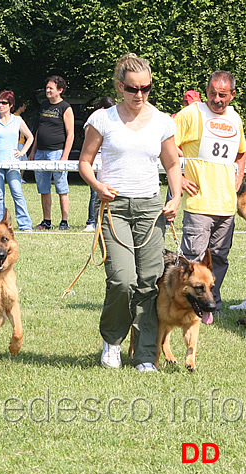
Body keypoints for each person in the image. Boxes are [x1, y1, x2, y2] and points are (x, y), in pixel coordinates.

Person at [78, 53, 182, 372]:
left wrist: (175, 196)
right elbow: (84, 162)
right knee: (123, 280)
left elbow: (172, 163)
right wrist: (97, 185)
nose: (139, 95)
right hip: (115, 208)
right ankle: (112, 342)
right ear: (120, 86)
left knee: (150, 282)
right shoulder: (102, 120)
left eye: (146, 88)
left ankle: (145, 354)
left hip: (150, 207)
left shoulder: (163, 121)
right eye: (132, 89)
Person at [174, 71, 246, 314]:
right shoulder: (190, 114)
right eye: (212, 93)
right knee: (191, 261)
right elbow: (164, 145)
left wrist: (238, 178)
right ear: (206, 92)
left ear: (232, 95)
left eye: (222, 95)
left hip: (226, 206)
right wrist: (179, 179)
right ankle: (183, 305)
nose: (216, 99)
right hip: (198, 204)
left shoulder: (236, 119)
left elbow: (241, 152)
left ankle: (211, 306)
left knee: (219, 260)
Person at [28, 75, 74, 230]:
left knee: (61, 188)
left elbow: (71, 134)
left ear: (60, 90)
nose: (47, 90)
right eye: (47, 88)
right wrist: (33, 151)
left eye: (50, 88)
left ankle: (64, 221)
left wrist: (65, 156)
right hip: (41, 152)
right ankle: (46, 221)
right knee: (43, 188)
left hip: (57, 152)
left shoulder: (66, 108)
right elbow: (39, 130)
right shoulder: (44, 105)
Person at [0, 90, 34, 230]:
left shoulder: (17, 120)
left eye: (4, 103)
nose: (0, 105)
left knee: (17, 192)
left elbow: (30, 137)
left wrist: (22, 152)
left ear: (11, 105)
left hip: (13, 163)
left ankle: (25, 225)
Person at [83, 96, 116, 232]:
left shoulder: (115, 116)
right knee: (95, 191)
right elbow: (88, 139)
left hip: (110, 159)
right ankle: (92, 221)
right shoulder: (95, 117)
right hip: (96, 158)